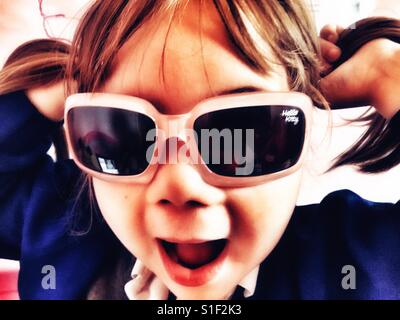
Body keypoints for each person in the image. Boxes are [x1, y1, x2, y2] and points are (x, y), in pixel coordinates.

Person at [0, 0, 399, 300]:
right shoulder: (66, 229)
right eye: (123, 129)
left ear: (301, 128)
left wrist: (385, 72)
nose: (180, 185)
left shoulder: (357, 265)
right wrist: (57, 86)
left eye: (242, 131)